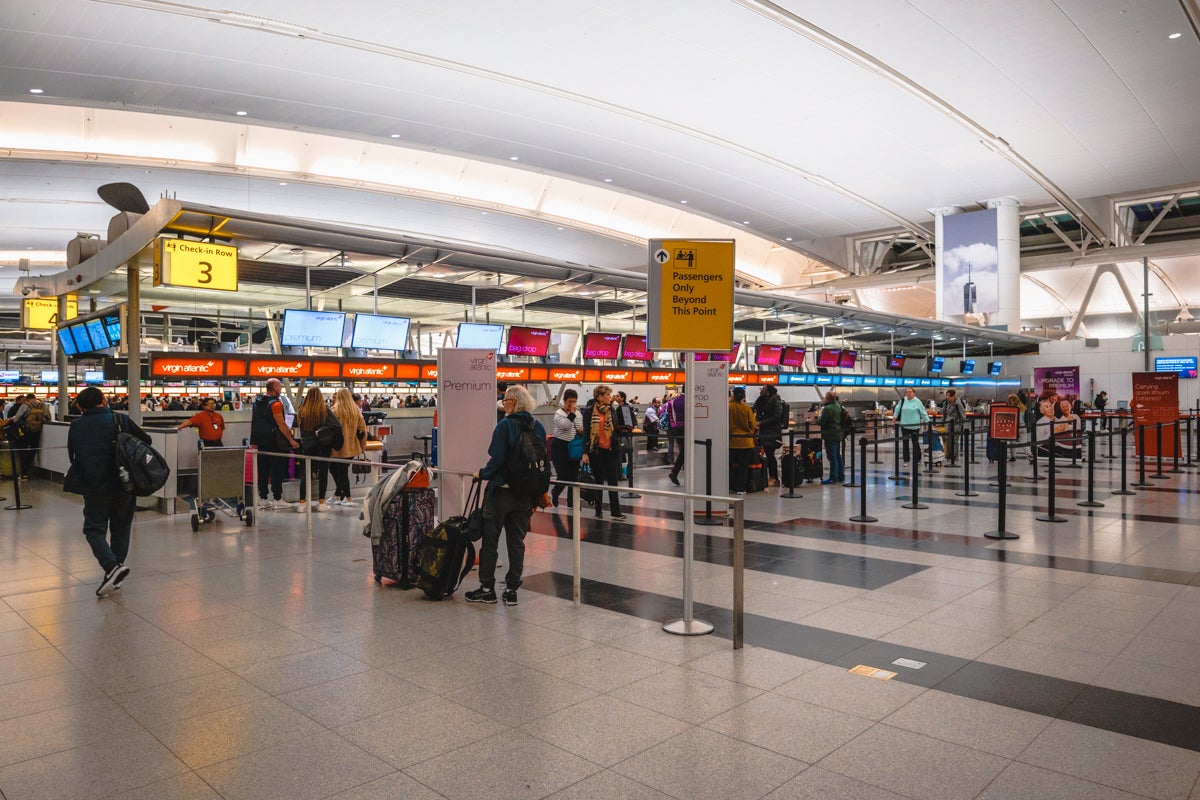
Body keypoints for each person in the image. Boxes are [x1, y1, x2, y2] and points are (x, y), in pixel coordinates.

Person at [65, 387, 151, 597]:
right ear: (104, 400)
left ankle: (112, 567)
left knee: (94, 530)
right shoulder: (119, 420)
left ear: (80, 406)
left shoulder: (76, 426)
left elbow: (72, 456)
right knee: (121, 528)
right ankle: (115, 571)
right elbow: (146, 440)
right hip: (124, 483)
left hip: (95, 487)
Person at [466, 385, 547, 606]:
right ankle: (512, 590)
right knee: (516, 543)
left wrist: (482, 474)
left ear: (512, 402)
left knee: (490, 541)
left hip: (500, 493)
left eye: (505, 399)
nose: (503, 403)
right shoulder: (537, 426)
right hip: (525, 494)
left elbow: (497, 460)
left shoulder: (504, 426)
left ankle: (487, 589)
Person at [250, 378, 300, 509]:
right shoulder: (276, 404)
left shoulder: (258, 402)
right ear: (274, 388)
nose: (281, 387)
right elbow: (281, 424)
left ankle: (263, 498)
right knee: (277, 469)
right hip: (274, 442)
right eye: (279, 386)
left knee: (263, 470)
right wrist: (291, 440)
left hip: (261, 441)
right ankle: (277, 498)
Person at [581, 385, 626, 520]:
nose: (609, 397)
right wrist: (585, 452)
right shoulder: (589, 411)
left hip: (611, 449)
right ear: (599, 397)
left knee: (613, 481)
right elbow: (587, 433)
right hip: (596, 451)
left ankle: (615, 511)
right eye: (607, 395)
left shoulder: (611, 410)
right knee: (598, 480)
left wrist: (624, 430)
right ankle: (598, 509)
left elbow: (614, 429)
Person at [296, 386, 340, 513]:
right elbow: (337, 425)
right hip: (323, 446)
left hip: (307, 446)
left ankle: (302, 503)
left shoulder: (302, 410)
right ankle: (321, 503)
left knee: (305, 475)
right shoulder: (324, 410)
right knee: (323, 474)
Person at [329, 387, 367, 506]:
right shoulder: (356, 411)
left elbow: (329, 430)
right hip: (352, 447)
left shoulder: (333, 411)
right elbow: (363, 430)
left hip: (337, 447)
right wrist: (363, 445)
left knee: (339, 471)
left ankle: (348, 497)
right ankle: (338, 495)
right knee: (341, 470)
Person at [549, 389, 584, 508]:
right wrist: (572, 414)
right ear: (564, 401)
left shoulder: (578, 414)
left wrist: (581, 432)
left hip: (573, 446)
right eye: (570, 401)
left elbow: (580, 427)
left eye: (574, 401)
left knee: (574, 476)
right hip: (560, 446)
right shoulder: (558, 413)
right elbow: (565, 425)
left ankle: (572, 501)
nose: (572, 404)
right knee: (563, 475)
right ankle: (556, 492)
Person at [753, 385, 787, 487]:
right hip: (765, 432)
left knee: (770, 455)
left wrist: (761, 423)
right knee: (768, 455)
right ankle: (771, 477)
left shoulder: (775, 401)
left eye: (762, 389)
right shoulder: (763, 399)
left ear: (767, 392)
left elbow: (776, 417)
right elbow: (754, 408)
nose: (760, 390)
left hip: (772, 433)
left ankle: (774, 478)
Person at [6, 394, 47, 480]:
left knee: (23, 451)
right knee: (33, 450)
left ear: (27, 399)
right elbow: (48, 417)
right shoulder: (42, 405)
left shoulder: (25, 406)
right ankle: (28, 468)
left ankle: (24, 473)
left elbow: (16, 419)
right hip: (37, 431)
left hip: (26, 431)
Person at [728, 387, 758, 493]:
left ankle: (730, 486)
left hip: (731, 442)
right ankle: (741, 488)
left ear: (733, 395)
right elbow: (752, 424)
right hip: (746, 443)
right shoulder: (746, 408)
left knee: (729, 466)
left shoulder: (728, 407)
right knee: (743, 468)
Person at [894, 387, 929, 464]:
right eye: (907, 392)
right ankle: (906, 460)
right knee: (905, 443)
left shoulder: (917, 402)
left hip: (915, 426)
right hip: (904, 425)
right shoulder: (903, 400)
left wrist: (928, 422)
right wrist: (894, 419)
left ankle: (918, 459)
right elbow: (897, 409)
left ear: (914, 393)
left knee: (915, 443)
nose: (908, 393)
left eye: (910, 392)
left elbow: (923, 412)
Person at [818, 391, 844, 483]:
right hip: (838, 433)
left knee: (832, 457)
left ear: (828, 398)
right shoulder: (838, 406)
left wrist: (817, 419)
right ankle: (841, 476)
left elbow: (821, 422)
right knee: (837, 456)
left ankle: (833, 478)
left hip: (830, 435)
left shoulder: (827, 409)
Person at [940, 388, 967, 465]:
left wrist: (959, 424)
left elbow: (963, 416)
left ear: (953, 396)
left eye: (949, 396)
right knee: (947, 439)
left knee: (954, 440)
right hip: (948, 424)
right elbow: (944, 414)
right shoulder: (946, 403)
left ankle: (955, 456)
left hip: (956, 424)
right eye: (947, 396)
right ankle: (948, 455)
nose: (948, 397)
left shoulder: (958, 404)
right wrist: (942, 423)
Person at [665, 388, 686, 486]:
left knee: (684, 452)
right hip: (687, 428)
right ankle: (674, 472)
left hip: (676, 428)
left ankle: (674, 472)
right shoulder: (689, 401)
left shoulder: (673, 401)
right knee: (685, 452)